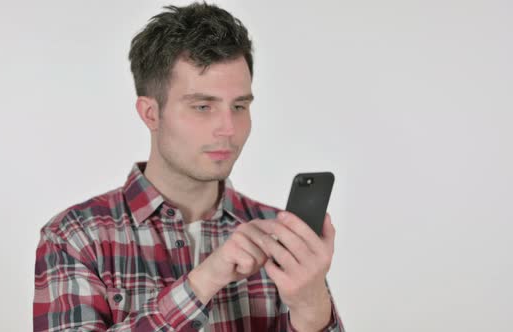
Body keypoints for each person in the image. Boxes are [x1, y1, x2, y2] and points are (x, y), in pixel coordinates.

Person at [33, 2, 344, 331]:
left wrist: (311, 305)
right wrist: (205, 280)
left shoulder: (277, 236)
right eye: (202, 106)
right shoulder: (75, 237)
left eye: (239, 106)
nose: (228, 127)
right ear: (151, 113)